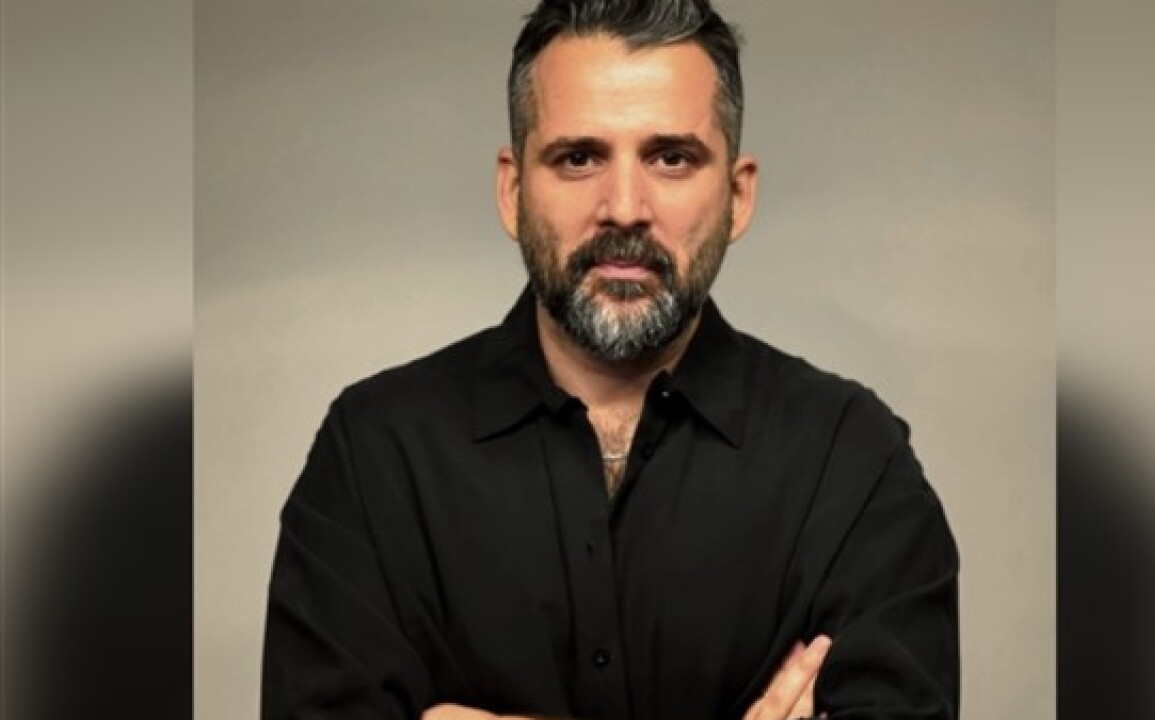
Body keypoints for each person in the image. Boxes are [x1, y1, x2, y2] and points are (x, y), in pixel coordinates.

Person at [261, 1, 959, 719]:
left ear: (738, 194)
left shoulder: (850, 459)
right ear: (512, 190)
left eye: (671, 158)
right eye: (579, 158)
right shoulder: (374, 453)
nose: (624, 207)